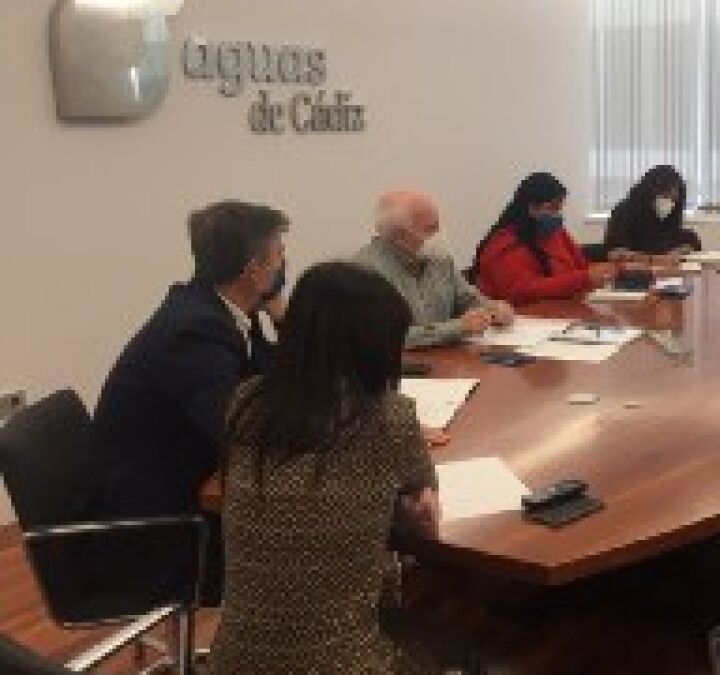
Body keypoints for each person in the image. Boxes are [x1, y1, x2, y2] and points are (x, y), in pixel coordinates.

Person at [208, 262, 474, 674]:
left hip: (234, 661)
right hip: (346, 663)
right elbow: (424, 508)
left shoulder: (245, 402)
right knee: (464, 642)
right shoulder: (390, 419)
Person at [89, 200, 288, 604]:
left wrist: (280, 318)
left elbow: (266, 379)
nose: (283, 265)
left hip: (185, 485)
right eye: (279, 255)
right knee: (309, 540)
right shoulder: (194, 330)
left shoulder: (217, 308)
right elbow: (242, 428)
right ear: (253, 269)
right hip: (159, 524)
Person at [355, 190, 514, 349]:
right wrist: (458, 328)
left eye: (438, 226)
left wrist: (493, 309)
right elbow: (387, 336)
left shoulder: (440, 259)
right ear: (400, 235)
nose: (438, 234)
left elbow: (467, 300)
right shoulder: (364, 272)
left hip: (447, 356)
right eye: (430, 228)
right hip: (400, 361)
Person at [473, 171, 616, 305]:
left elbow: (582, 268)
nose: (557, 215)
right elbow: (521, 291)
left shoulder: (557, 234)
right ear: (530, 207)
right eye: (551, 208)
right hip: (522, 317)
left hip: (563, 310)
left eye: (559, 209)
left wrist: (606, 270)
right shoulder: (504, 244)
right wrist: (584, 279)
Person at [603, 165, 702, 260]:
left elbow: (669, 241)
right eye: (665, 196)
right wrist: (655, 258)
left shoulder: (670, 215)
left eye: (674, 199)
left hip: (663, 267)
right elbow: (615, 253)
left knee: (691, 238)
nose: (669, 202)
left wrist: (681, 251)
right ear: (650, 192)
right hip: (633, 268)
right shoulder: (624, 212)